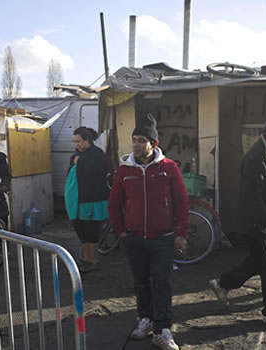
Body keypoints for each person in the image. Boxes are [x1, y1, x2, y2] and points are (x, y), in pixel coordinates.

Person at [209, 115, 266, 328]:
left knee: (259, 262)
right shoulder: (258, 156)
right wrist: (263, 222)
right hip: (261, 225)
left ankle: (223, 284)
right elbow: (251, 193)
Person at [108, 113, 189, 350]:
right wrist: (121, 232)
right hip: (134, 239)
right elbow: (114, 204)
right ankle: (144, 320)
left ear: (153, 143)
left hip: (163, 239)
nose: (135, 144)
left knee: (161, 282)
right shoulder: (124, 171)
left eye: (141, 139)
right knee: (141, 282)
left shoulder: (169, 168)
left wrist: (181, 233)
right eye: (134, 139)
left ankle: (163, 330)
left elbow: (182, 202)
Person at [64, 127, 109, 271]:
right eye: (75, 141)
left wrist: (80, 162)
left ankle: (93, 259)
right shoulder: (76, 156)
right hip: (77, 201)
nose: (77, 144)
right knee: (81, 230)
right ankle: (85, 258)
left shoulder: (97, 155)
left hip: (91, 201)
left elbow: (97, 173)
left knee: (91, 231)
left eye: (79, 141)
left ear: (87, 141)